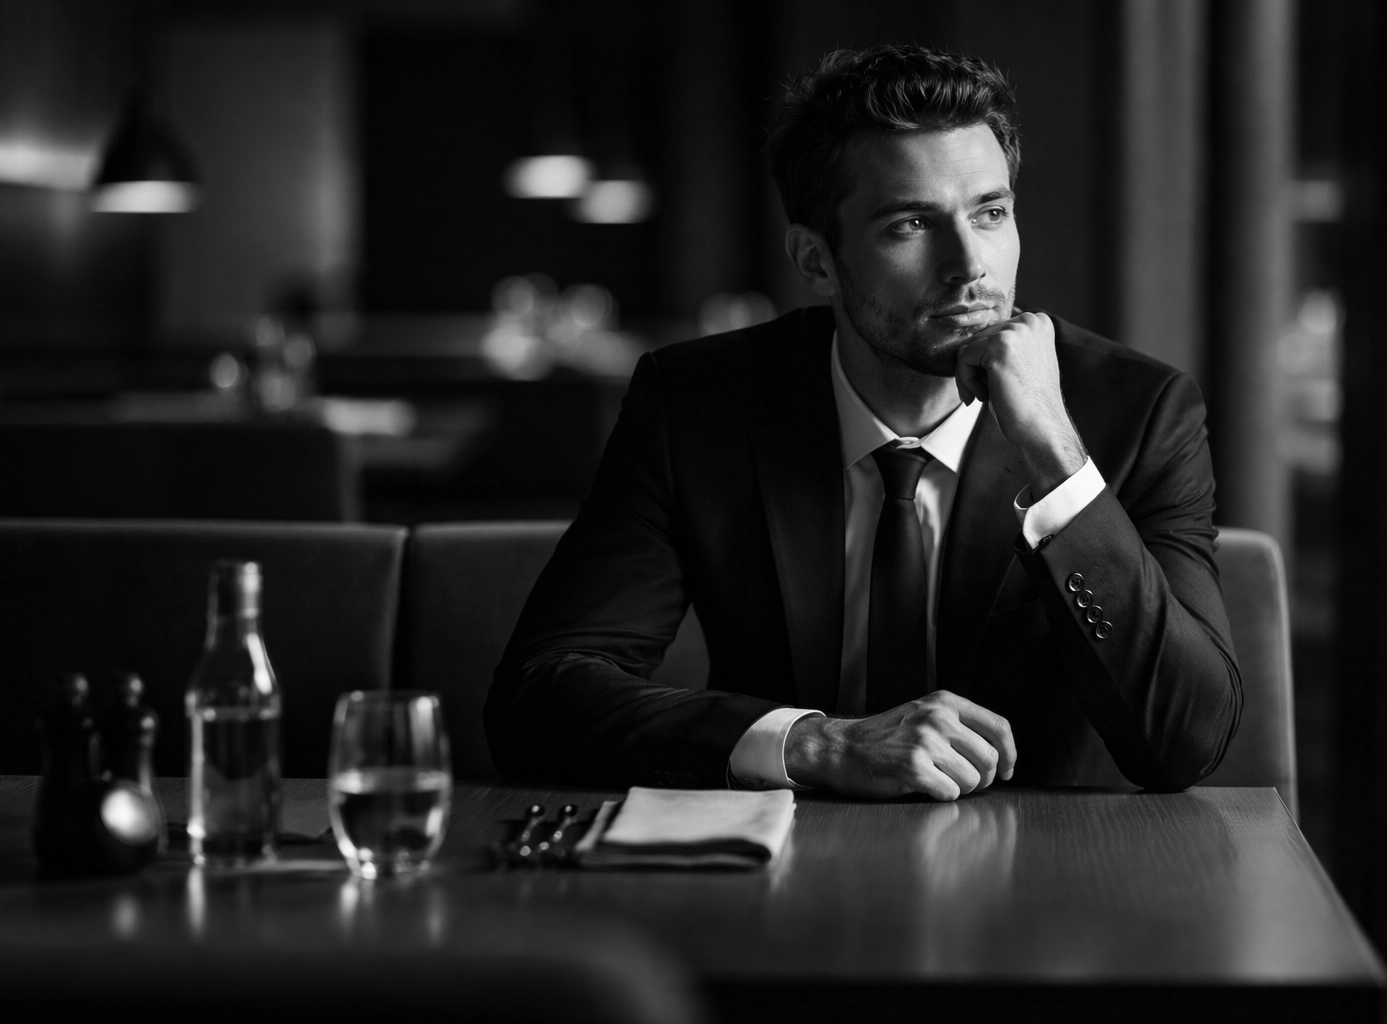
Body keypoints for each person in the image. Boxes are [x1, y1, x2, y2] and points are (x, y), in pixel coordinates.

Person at [485, 44, 1241, 800]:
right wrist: (816, 743)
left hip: (1058, 870)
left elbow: (1185, 744)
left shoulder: (1139, 413)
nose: (969, 265)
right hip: (779, 866)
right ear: (816, 261)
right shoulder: (696, 405)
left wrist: (1057, 459)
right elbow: (540, 698)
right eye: (911, 224)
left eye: (991, 212)